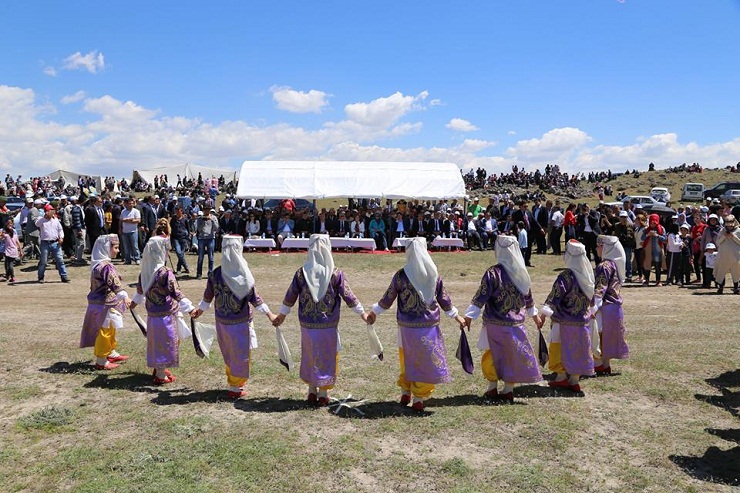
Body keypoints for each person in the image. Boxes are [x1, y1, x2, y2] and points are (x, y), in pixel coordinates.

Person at [367, 237, 466, 411]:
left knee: (406, 358)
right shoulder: (434, 274)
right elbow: (444, 300)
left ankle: (406, 391)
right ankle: (418, 398)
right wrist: (456, 316)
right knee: (425, 361)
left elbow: (387, 299)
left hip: (406, 328)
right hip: (429, 327)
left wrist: (374, 312)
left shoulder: (401, 275)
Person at [272, 234, 368, 405]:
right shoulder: (335, 273)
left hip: (308, 324)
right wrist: (363, 314)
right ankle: (323, 393)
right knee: (327, 355)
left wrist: (281, 316)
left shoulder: (302, 273)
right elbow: (349, 296)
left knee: (309, 354)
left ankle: (311, 390)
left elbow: (290, 296)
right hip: (327, 325)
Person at [192, 235, 278, 398]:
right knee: (241, 354)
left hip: (223, 322)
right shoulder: (243, 274)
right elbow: (256, 300)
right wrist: (270, 315)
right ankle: (235, 386)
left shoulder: (216, 273)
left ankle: (235, 382)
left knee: (230, 352)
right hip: (241, 323)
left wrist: (199, 311)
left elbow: (207, 298)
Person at [462, 235, 542, 402]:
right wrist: (535, 316)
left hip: (495, 324)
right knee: (512, 355)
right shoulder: (522, 273)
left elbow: (481, 296)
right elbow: (529, 298)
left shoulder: (493, 273)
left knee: (491, 354)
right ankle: (508, 389)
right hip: (516, 324)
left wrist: (469, 316)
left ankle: (492, 387)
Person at [131, 235, 196, 385]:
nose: (168, 253)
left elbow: (139, 292)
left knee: (156, 343)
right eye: (166, 250)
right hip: (166, 315)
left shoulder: (145, 272)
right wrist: (190, 308)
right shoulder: (165, 273)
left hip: (152, 315)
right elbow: (177, 293)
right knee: (167, 343)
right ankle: (160, 375)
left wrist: (134, 303)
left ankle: (158, 369)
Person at [534, 240, 594, 393]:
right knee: (579, 349)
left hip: (563, 321)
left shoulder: (565, 277)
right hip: (581, 322)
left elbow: (555, 297)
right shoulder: (588, 276)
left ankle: (561, 377)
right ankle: (574, 379)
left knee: (558, 347)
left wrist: (543, 314)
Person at [80, 235, 132, 370]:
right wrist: (125, 296)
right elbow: (114, 284)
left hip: (103, 304)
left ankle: (110, 352)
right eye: (115, 247)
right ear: (106, 248)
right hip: (103, 305)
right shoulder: (105, 266)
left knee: (111, 328)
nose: (118, 250)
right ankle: (101, 360)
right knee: (105, 331)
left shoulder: (99, 264)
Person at [592, 235, 630, 375]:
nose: (596, 248)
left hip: (605, 306)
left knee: (599, 334)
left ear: (604, 247)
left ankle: (599, 364)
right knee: (606, 337)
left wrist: (594, 306)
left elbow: (600, 287)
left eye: (598, 245)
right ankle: (605, 365)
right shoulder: (615, 264)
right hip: (614, 306)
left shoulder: (604, 265)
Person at [35, 204, 70, 283]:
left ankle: (64, 276)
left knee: (60, 260)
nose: (50, 212)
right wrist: (44, 218)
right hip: (45, 242)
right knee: (43, 261)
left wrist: (61, 237)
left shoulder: (56, 220)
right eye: (49, 211)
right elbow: (36, 224)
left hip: (55, 242)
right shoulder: (41, 219)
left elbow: (60, 230)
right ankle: (40, 277)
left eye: (51, 211)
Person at [713, 214, 740, 294]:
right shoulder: (722, 230)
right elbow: (717, 242)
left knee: (736, 272)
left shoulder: (738, 230)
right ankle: (720, 287)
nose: (729, 227)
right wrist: (724, 236)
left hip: (735, 256)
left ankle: (736, 288)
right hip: (723, 255)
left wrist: (733, 236)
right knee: (721, 271)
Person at [641, 214, 666, 287]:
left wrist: (657, 235)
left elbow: (664, 239)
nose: (653, 224)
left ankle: (658, 280)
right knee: (647, 265)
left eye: (654, 222)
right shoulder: (646, 229)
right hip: (648, 249)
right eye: (651, 222)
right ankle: (647, 280)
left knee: (658, 265)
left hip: (657, 250)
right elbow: (642, 238)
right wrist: (648, 234)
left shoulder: (661, 228)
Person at [195, 206, 219, 279]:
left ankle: (210, 272)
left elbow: (216, 228)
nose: (206, 211)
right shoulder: (199, 219)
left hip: (211, 238)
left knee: (211, 257)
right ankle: (199, 273)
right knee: (200, 257)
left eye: (208, 210)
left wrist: (212, 220)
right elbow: (198, 229)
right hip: (201, 238)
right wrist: (203, 221)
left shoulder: (214, 218)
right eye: (205, 210)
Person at [169, 206, 191, 274]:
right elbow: (171, 228)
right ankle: (186, 266)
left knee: (181, 254)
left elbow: (188, 229)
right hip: (176, 238)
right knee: (178, 253)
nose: (177, 212)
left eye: (179, 211)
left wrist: (188, 236)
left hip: (183, 238)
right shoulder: (173, 219)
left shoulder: (185, 219)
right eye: (176, 211)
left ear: (181, 211)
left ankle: (179, 269)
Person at [1, 217, 22, 283]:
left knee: (9, 263)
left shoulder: (7, 234)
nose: (10, 225)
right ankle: (8, 275)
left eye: (11, 223)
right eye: (8, 223)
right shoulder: (13, 234)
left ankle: (12, 276)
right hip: (11, 250)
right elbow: (18, 242)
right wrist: (20, 250)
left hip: (8, 250)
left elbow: (1, 237)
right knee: (7, 263)